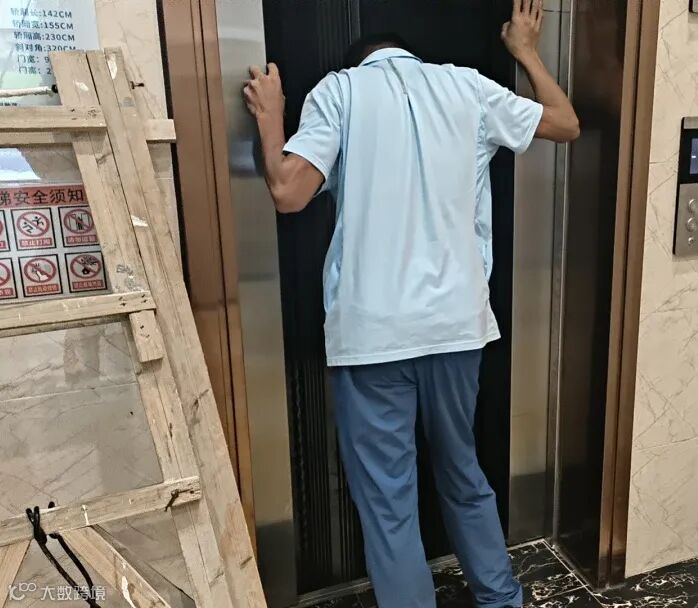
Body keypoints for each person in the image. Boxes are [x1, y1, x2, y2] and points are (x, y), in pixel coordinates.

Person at [244, 0, 579, 606]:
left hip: (371, 336)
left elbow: (290, 192)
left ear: (359, 62)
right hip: (457, 326)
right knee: (463, 472)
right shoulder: (467, 87)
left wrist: (271, 119)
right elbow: (565, 123)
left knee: (388, 502)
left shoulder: (339, 92)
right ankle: (501, 599)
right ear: (409, 56)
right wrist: (526, 52)